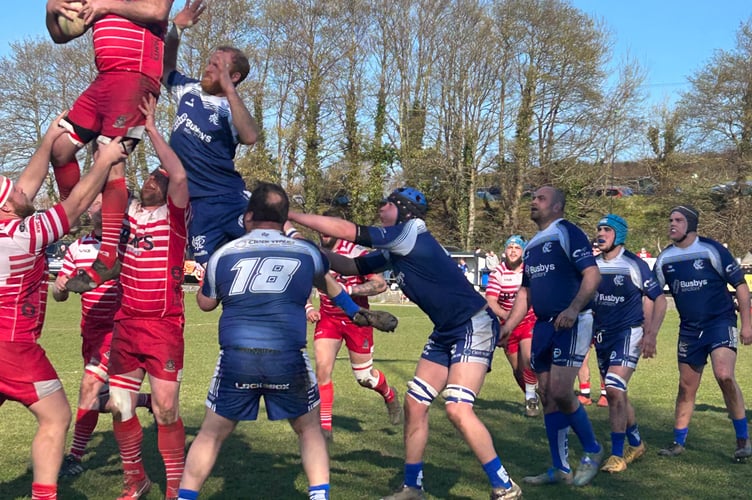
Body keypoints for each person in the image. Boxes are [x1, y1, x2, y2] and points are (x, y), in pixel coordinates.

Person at [289, 187, 522, 500]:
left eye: (386, 204)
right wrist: (302, 246)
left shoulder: (409, 232)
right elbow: (348, 266)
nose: (380, 208)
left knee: (457, 408)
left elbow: (348, 231)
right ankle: (413, 488)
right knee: (414, 403)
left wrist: (289, 215)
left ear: (403, 209)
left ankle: (505, 486)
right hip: (447, 329)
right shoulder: (396, 247)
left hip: (472, 324)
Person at [177, 182, 397, 500]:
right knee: (309, 430)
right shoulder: (306, 250)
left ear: (247, 216)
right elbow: (328, 281)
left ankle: (186, 497)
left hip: (238, 357)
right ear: (284, 219)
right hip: (287, 356)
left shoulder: (224, 253)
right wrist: (355, 313)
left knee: (211, 434)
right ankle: (319, 496)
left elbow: (205, 304)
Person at [0, 115, 125, 500]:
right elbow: (74, 208)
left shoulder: (9, 225)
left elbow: (24, 187)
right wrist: (104, 161)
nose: (23, 190)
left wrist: (48, 139)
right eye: (14, 192)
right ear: (7, 206)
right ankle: (45, 496)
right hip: (13, 345)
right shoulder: (24, 235)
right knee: (56, 416)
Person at [45, 0, 173, 291]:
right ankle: (71, 213)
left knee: (112, 160)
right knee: (60, 148)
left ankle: (108, 257)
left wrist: (105, 6)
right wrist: (51, 11)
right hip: (104, 81)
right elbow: (60, 35)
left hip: (136, 79)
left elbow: (157, 11)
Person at [105, 95, 189, 500]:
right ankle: (136, 478)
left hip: (163, 324)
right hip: (126, 322)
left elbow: (180, 175)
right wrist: (119, 125)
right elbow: (115, 169)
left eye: (158, 177)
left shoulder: (174, 215)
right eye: (151, 177)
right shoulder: (128, 211)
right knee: (120, 405)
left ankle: (175, 484)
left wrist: (153, 127)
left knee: (165, 409)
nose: (152, 180)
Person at [501, 186, 604, 487]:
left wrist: (573, 308)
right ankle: (560, 468)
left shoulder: (566, 231)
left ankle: (593, 450)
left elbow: (592, 275)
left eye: (541, 198)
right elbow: (526, 292)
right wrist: (508, 326)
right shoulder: (531, 245)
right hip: (543, 326)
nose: (533, 202)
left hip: (571, 322)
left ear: (557, 206)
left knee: (560, 391)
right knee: (547, 395)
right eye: (533, 198)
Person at [52, 194, 151, 477]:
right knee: (106, 399)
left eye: (104, 203)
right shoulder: (77, 248)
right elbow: (60, 294)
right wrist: (59, 287)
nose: (98, 208)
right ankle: (148, 402)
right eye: (94, 203)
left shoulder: (126, 244)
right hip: (91, 332)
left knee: (88, 390)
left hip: (119, 329)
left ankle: (75, 456)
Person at [162, 0, 261, 267]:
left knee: (266, 252)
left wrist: (230, 91)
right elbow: (166, 68)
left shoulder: (233, 109)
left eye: (217, 66)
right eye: (209, 63)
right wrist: (176, 30)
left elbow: (250, 136)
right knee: (214, 280)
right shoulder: (188, 89)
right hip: (196, 205)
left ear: (235, 76)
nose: (208, 68)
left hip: (228, 199)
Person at [653, 205, 752, 460]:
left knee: (724, 375)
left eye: (678, 220)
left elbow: (741, 286)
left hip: (720, 322)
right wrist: (648, 331)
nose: (672, 224)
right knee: (686, 387)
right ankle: (678, 442)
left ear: (691, 224)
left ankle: (743, 440)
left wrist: (747, 325)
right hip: (689, 329)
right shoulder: (665, 258)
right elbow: (653, 296)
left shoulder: (712, 250)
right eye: (670, 220)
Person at [307, 211, 402, 441]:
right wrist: (309, 307)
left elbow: (380, 285)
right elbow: (300, 283)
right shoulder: (313, 255)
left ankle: (389, 394)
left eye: (329, 227)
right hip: (328, 320)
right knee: (322, 370)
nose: (324, 232)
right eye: (321, 227)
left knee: (365, 378)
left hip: (357, 320)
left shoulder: (357, 254)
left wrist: (347, 292)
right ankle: (326, 429)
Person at [591, 214, 667, 473]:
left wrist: (651, 334)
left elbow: (659, 299)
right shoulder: (592, 266)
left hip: (629, 332)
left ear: (619, 235)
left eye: (607, 230)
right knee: (618, 392)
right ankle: (636, 442)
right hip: (602, 336)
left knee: (613, 387)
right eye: (599, 229)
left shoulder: (634, 264)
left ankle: (616, 455)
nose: (600, 234)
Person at [485, 235, 539, 417]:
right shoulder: (498, 272)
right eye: (510, 248)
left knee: (528, 360)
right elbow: (491, 301)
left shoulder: (529, 271)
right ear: (505, 251)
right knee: (518, 371)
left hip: (529, 321)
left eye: (517, 248)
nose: (513, 251)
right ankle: (533, 397)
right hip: (508, 326)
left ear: (523, 251)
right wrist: (508, 317)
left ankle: (533, 398)